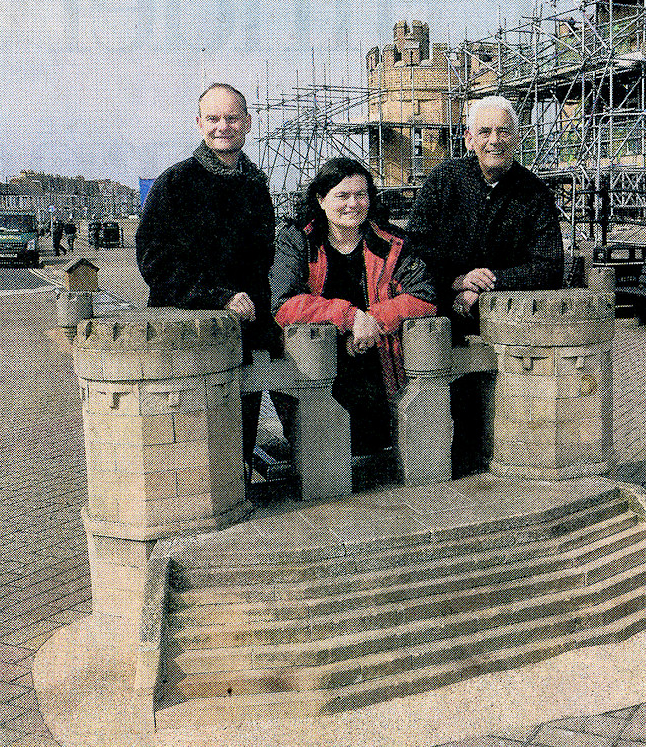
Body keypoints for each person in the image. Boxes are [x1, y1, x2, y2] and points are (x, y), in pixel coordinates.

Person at [136, 82, 282, 468]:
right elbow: (154, 262)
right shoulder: (175, 183)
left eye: (232, 118)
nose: (223, 126)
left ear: (248, 124)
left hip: (246, 332)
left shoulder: (256, 186)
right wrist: (219, 296)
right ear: (199, 124)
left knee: (239, 444)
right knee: (193, 456)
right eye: (214, 118)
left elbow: (263, 260)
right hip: (188, 334)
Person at [272, 158, 435, 459]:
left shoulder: (390, 242)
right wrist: (350, 316)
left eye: (361, 195)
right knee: (325, 457)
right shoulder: (298, 241)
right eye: (342, 196)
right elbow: (283, 304)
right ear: (321, 200)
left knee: (373, 448)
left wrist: (373, 319)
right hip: (317, 366)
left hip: (379, 363)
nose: (352, 204)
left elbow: (424, 297)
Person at [402, 95, 565, 333]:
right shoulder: (443, 180)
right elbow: (413, 249)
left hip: (509, 325)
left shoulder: (535, 193)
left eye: (504, 132)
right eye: (485, 132)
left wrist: (486, 283)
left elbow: (549, 267)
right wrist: (456, 280)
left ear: (517, 138)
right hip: (436, 322)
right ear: (469, 139)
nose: (494, 141)